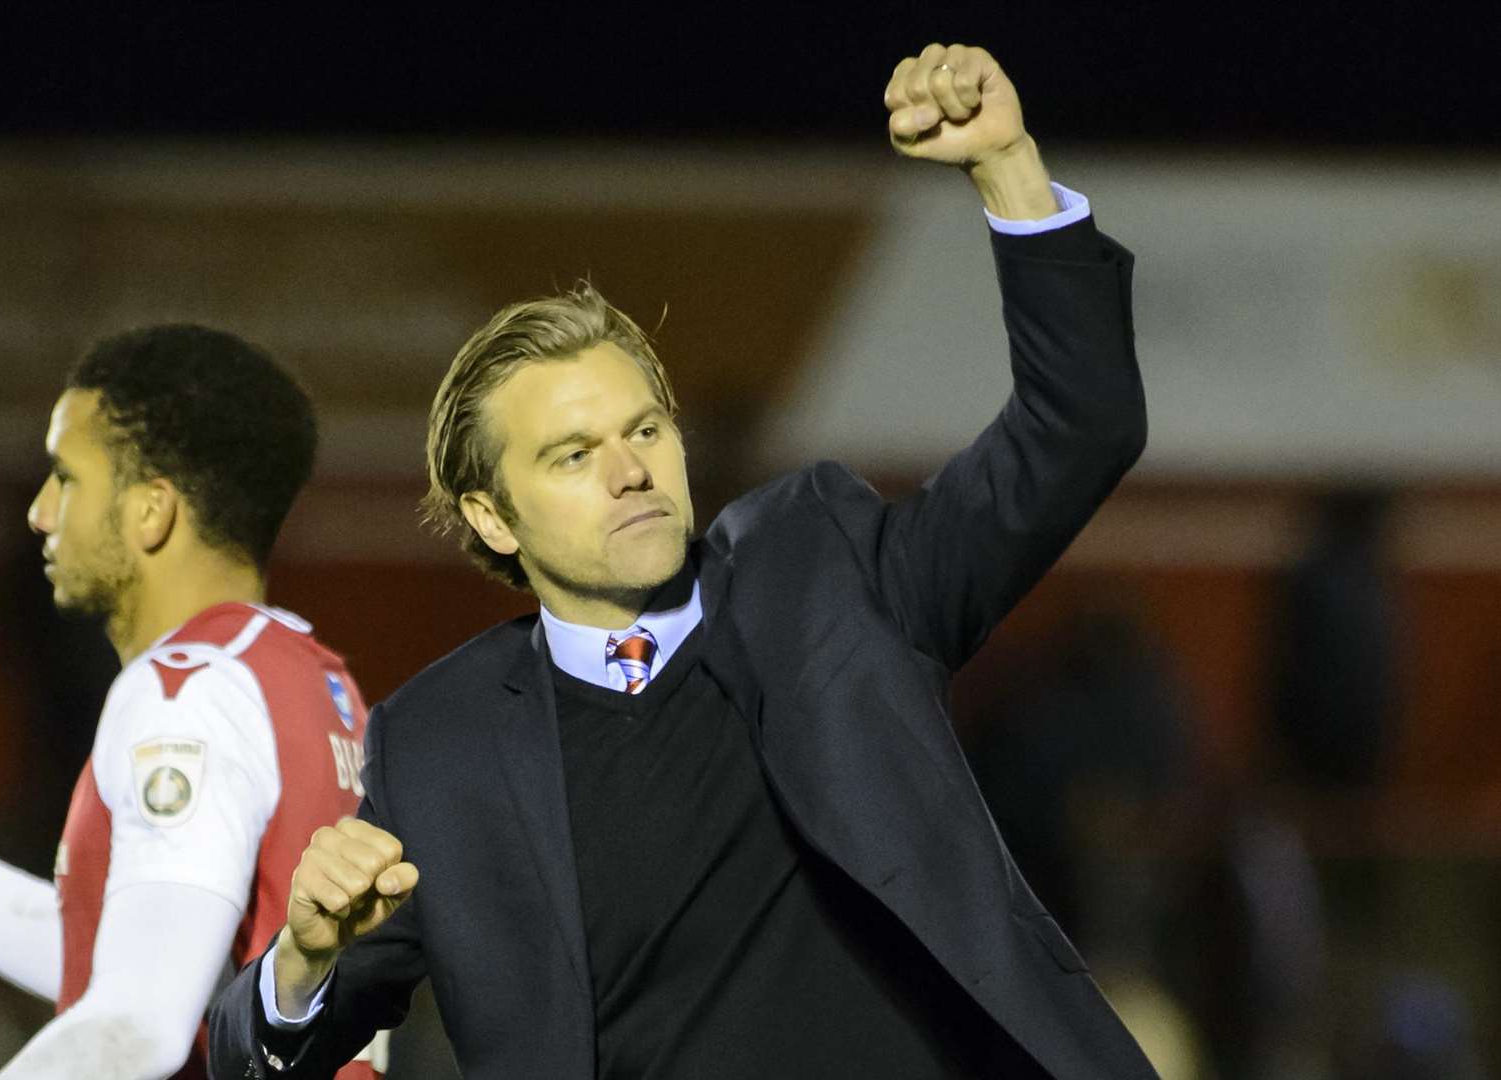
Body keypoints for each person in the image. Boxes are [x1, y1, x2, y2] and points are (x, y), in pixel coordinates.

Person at [211, 42, 1156, 1079]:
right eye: (574, 455)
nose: (631, 470)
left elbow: (1080, 429)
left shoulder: (829, 575)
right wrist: (300, 958)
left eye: (646, 429)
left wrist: (1008, 166)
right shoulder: (440, 748)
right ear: (490, 517)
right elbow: (258, 1062)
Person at [0, 325, 387, 1078]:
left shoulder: (183, 690)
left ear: (151, 512)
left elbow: (135, 1027)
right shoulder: (306, 677)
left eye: (66, 477)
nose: (38, 511)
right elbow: (131, 952)